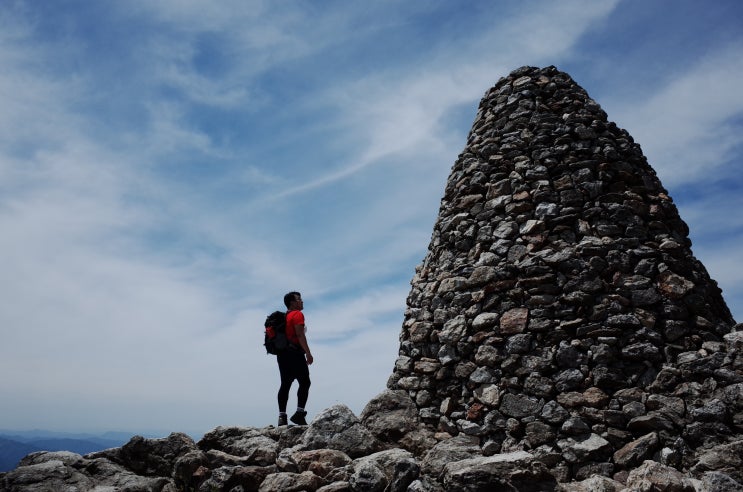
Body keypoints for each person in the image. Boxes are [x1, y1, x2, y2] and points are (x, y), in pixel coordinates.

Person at [277, 291, 313, 426]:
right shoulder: (297, 314)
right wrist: (308, 353)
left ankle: (282, 417)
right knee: (305, 382)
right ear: (292, 303)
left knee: (285, 384)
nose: (302, 301)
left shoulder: (284, 317)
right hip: (295, 354)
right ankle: (299, 414)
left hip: (282, 355)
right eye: (299, 299)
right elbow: (299, 334)